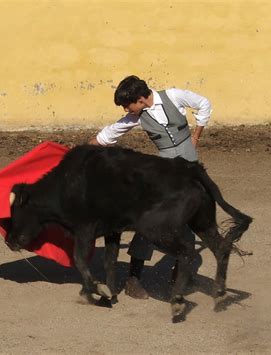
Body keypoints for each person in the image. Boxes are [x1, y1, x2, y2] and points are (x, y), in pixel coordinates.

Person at [89, 75, 212, 299]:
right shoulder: (136, 116)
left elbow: (204, 104)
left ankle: (180, 275)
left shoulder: (174, 96)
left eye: (128, 104)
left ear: (141, 99)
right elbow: (108, 135)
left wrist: (195, 136)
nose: (126, 109)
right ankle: (134, 279)